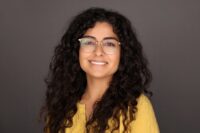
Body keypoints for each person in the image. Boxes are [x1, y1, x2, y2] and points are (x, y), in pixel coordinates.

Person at [41, 7, 160, 133]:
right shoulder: (61, 106)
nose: (98, 52)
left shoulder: (136, 107)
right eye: (89, 42)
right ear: (77, 50)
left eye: (109, 44)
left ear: (122, 53)